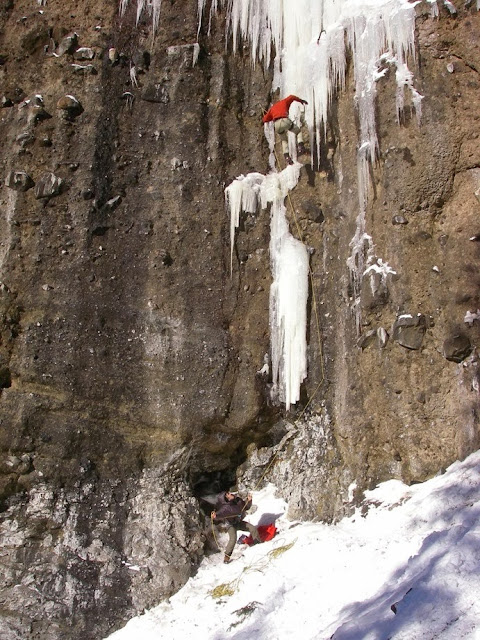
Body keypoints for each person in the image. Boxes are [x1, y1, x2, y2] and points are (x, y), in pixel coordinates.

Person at [211, 490, 262, 563]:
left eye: (228, 493)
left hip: (238, 522)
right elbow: (220, 513)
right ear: (227, 499)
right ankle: (226, 557)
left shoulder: (238, 500)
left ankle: (258, 544)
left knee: (252, 528)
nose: (230, 493)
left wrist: (249, 500)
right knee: (233, 539)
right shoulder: (226, 508)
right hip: (230, 525)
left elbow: (246, 506)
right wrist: (215, 516)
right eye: (228, 494)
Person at [262, 94, 309, 165]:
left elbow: (265, 119)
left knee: (284, 140)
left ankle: (286, 156)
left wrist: (269, 116)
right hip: (284, 120)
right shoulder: (284, 101)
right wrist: (301, 101)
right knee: (298, 131)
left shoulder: (272, 109)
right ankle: (300, 146)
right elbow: (291, 97)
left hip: (277, 125)